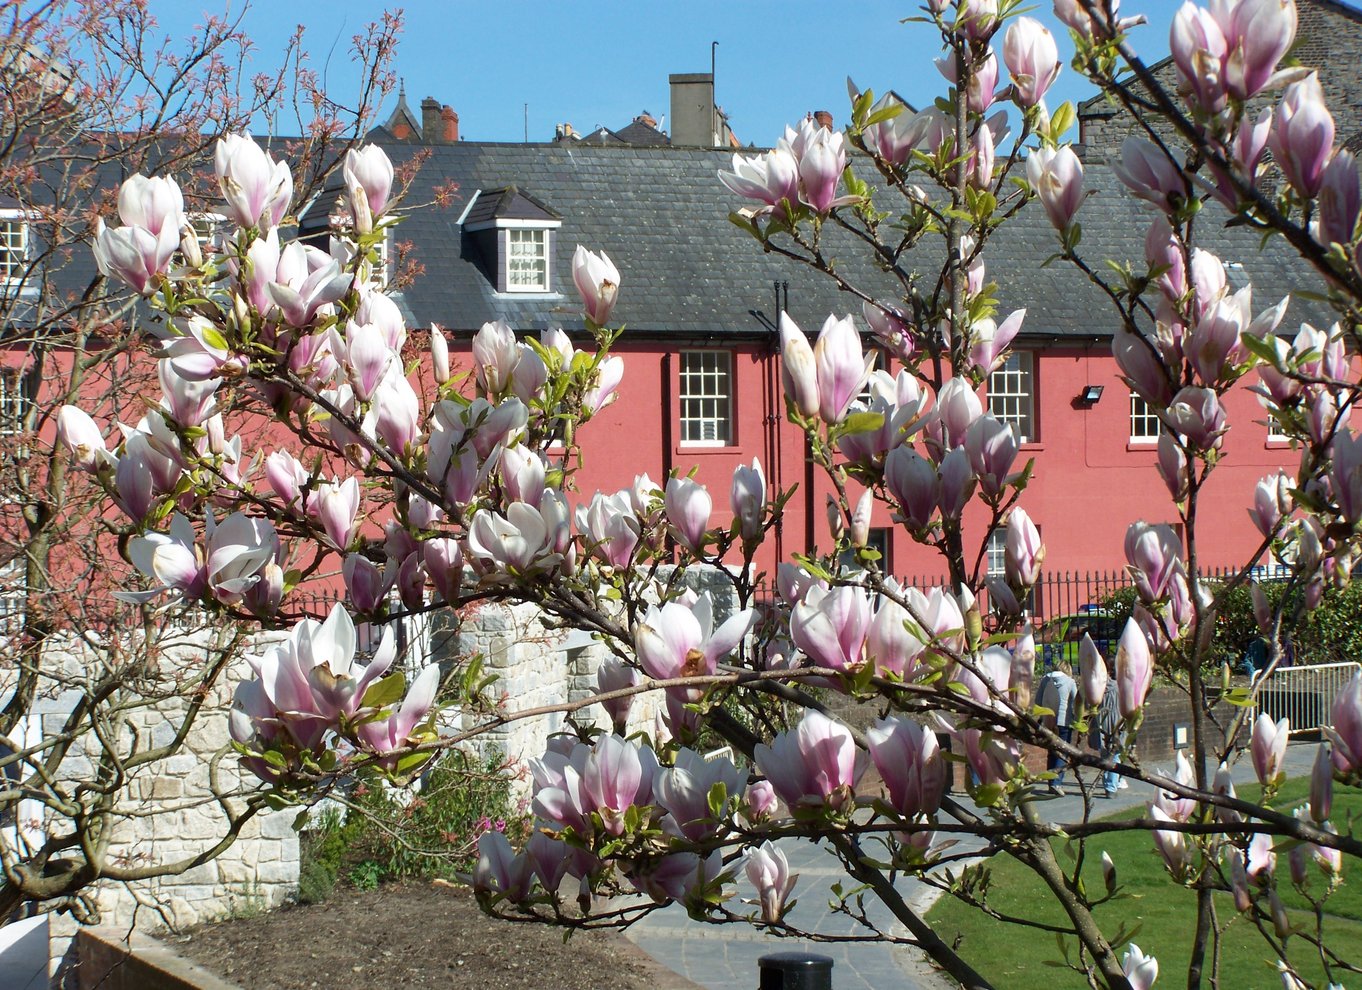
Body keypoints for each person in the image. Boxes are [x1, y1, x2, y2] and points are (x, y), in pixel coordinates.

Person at [1036, 659, 1077, 795]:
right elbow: (1076, 702)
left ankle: (1050, 782)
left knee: (1051, 752)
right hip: (1064, 721)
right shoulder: (1070, 682)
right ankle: (1056, 783)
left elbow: (1038, 700)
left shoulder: (1044, 680)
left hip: (1048, 720)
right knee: (1063, 752)